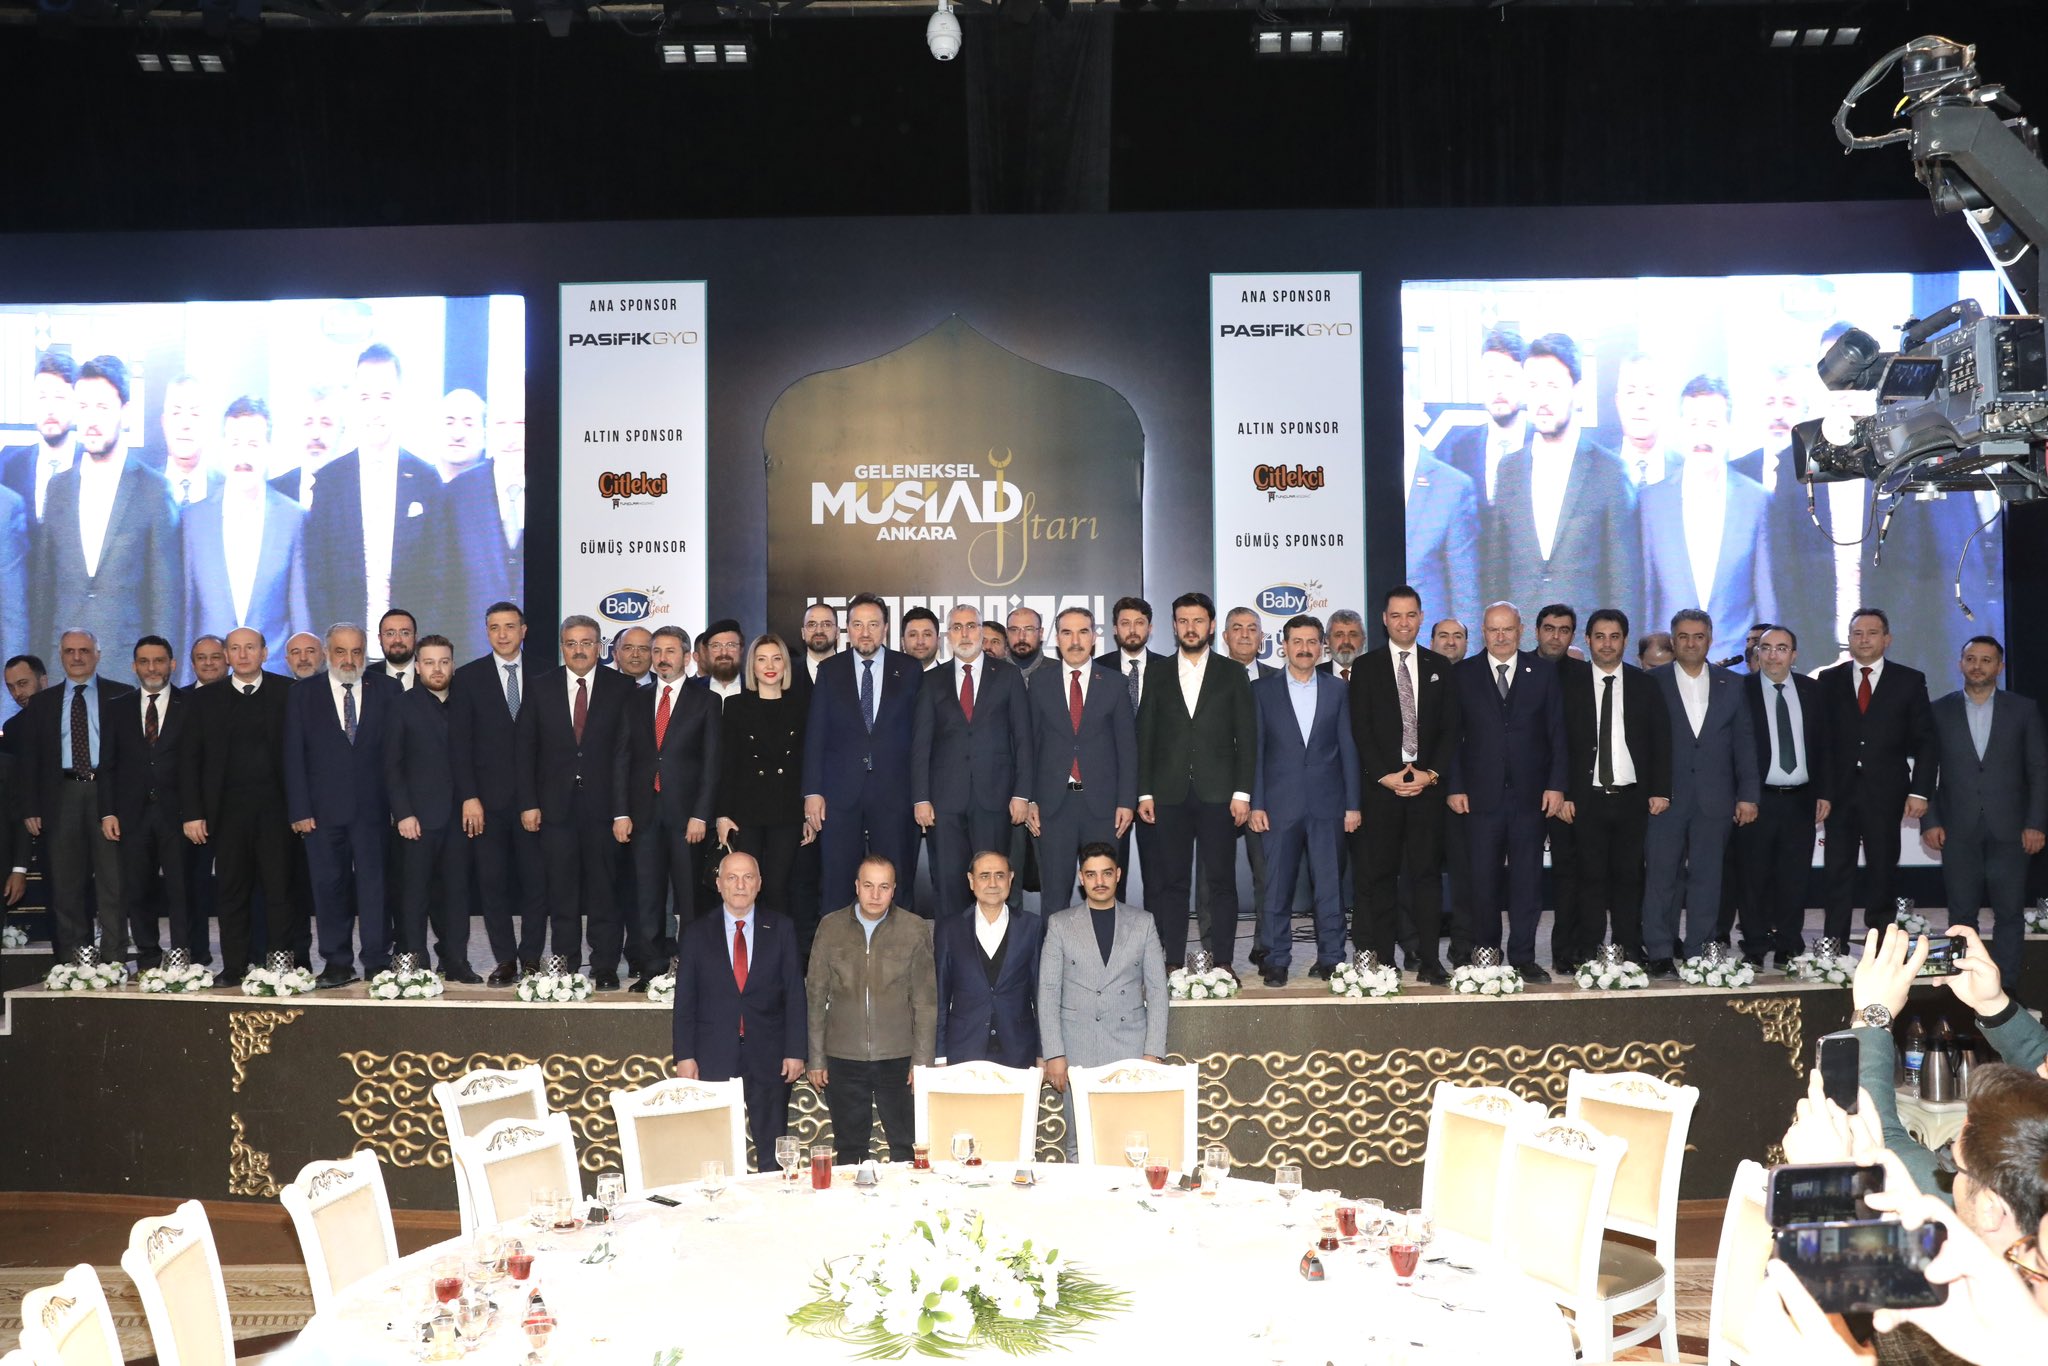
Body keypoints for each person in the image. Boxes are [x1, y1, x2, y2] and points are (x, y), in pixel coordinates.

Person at [30, 356, 181, 672]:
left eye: (102, 407)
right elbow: (43, 597)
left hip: (127, 677)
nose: (91, 419)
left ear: (125, 413)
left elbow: (165, 602)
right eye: (83, 407)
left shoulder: (154, 491)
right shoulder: (57, 489)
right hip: (62, 674)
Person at [1485, 334, 1638, 639]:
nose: (1541, 399)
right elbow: (1495, 577)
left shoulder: (1609, 472)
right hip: (1522, 650)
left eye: (1552, 386)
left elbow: (1624, 585)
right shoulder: (1509, 470)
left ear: (1577, 392)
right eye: (1533, 386)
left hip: (1586, 650)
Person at [1136, 592, 1255, 973]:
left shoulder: (1232, 673)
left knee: (1221, 882)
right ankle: (1171, 962)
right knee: (1171, 882)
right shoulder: (1157, 673)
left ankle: (1223, 962)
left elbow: (1247, 738)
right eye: (1184, 621)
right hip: (1168, 794)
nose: (1191, 628)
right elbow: (1145, 737)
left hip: (1220, 795)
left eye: (1198, 621)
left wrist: (1242, 793)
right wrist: (1144, 792)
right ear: (1174, 626)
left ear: (1211, 626)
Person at [1445, 602, 1566, 977]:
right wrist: (1455, 786)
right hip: (1479, 798)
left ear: (1521, 631)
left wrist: (1556, 785)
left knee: (1527, 882)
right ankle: (1486, 954)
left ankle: (1524, 957)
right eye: (1494, 630)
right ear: (1483, 632)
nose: (1501, 637)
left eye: (1508, 629)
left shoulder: (1543, 673)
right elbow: (1451, 738)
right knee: (1482, 880)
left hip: (1531, 797)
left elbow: (1557, 734)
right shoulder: (1463, 674)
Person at [301, 344, 447, 651]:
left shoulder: (427, 480)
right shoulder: (329, 482)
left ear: (401, 401)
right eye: (365, 398)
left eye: (386, 397)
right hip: (346, 653)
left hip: (410, 653)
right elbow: (317, 581)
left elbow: (439, 578)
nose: (375, 409)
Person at [1921, 636, 2048, 985]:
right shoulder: (1938, 710)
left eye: (1986, 660)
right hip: (1956, 829)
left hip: (2012, 830)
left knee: (2009, 914)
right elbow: (1926, 771)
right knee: (1961, 915)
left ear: (2000, 667)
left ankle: (2005, 988)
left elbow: (2039, 770)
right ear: (1960, 663)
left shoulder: (2023, 709)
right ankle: (1962, 986)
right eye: (1971, 658)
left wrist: (2036, 823)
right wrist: (1930, 821)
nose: (1977, 666)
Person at [516, 614, 635, 985]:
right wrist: (529, 803)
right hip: (555, 807)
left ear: (599, 647)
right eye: (571, 643)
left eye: (586, 643)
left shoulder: (622, 687)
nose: (579, 650)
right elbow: (525, 750)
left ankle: (604, 965)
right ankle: (565, 963)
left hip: (604, 807)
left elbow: (626, 752)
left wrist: (623, 810)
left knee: (605, 890)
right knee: (561, 891)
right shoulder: (541, 687)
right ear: (562, 647)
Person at [672, 850, 807, 1170]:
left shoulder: (782, 928)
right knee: (713, 1150)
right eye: (732, 878)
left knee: (772, 1153)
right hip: (712, 1057)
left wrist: (796, 1051)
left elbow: (794, 995)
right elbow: (685, 1000)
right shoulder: (695, 933)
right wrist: (684, 1056)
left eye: (748, 877)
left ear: (759, 883)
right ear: (718, 884)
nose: (740, 885)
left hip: (770, 1056)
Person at [1641, 609, 1757, 972]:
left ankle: (1700, 951)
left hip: (1715, 797)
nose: (1691, 643)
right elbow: (1642, 743)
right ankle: (1660, 951)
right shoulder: (1652, 681)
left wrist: (1748, 794)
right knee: (1661, 877)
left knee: (1708, 879)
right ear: (1673, 641)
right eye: (1684, 636)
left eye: (1699, 636)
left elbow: (1744, 743)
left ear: (1710, 639)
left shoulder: (1732, 683)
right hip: (1665, 798)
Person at [284, 623, 400, 987]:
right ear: (327, 654)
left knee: (375, 888)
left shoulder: (388, 689)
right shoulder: (303, 694)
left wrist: (400, 807)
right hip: (321, 814)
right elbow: (293, 756)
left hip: (374, 810)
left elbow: (397, 753)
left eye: (356, 651)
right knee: (328, 887)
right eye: (340, 652)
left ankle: (377, 961)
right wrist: (300, 810)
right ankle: (336, 962)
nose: (349, 659)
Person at [1351, 588, 1457, 981]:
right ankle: (1384, 961)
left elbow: (1450, 729)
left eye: (1411, 615)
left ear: (1421, 617)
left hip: (1427, 789)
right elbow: (1360, 728)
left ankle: (1430, 960)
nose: (1404, 622)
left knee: (1426, 878)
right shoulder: (1366, 667)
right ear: (1384, 619)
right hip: (1382, 790)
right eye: (1396, 615)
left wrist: (1431, 774)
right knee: (1380, 878)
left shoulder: (1439, 665)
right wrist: (1385, 776)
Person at [181, 628, 298, 981]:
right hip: (227, 813)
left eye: (250, 647)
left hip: (278, 811)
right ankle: (233, 966)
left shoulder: (288, 692)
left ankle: (280, 965)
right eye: (235, 648)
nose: (243, 654)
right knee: (231, 891)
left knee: (279, 890)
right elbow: (190, 760)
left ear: (264, 652)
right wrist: (193, 813)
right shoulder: (203, 699)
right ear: (227, 655)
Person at [1250, 614, 1360, 986]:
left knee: (1329, 886)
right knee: (1276, 888)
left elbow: (1348, 749)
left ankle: (1332, 958)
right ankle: (1276, 959)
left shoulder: (1337, 689)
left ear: (1322, 646)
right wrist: (1257, 803)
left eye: (1312, 641)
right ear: (1284, 646)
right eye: (1297, 641)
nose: (1305, 648)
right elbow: (1256, 751)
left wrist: (1353, 804)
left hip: (1328, 805)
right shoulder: (1261, 691)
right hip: (1278, 805)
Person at [1038, 843, 1168, 1157]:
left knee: (1131, 1140)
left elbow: (1157, 990)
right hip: (1077, 1046)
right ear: (1080, 878)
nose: (1099, 881)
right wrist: (1054, 1053)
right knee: (1079, 1142)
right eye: (1091, 874)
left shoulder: (1143, 922)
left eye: (1106, 873)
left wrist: (1153, 1052)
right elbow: (1048, 991)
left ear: (1118, 875)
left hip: (1130, 1047)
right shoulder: (1060, 924)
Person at [806, 854, 937, 1164]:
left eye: (884, 887)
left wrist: (922, 1063)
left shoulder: (913, 928)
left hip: (899, 1058)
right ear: (856, 886)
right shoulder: (831, 927)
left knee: (907, 1148)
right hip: (843, 1057)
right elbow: (815, 997)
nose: (875, 895)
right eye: (868, 886)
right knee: (850, 1150)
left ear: (894, 890)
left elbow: (925, 1002)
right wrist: (816, 1057)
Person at [802, 593, 924, 919]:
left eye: (873, 624)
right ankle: (838, 950)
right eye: (857, 625)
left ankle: (899, 948)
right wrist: (812, 791)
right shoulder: (830, 670)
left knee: (896, 878)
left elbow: (921, 737)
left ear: (886, 628)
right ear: (847, 629)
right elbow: (816, 735)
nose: (865, 632)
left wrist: (920, 794)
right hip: (840, 794)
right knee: (837, 881)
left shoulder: (909, 669)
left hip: (895, 792)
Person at [1818, 608, 1938, 940]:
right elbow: (1821, 741)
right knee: (1836, 871)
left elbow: (1926, 742)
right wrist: (1821, 791)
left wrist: (1920, 791)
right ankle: (1835, 944)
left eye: (1872, 633)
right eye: (1857, 633)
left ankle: (1882, 941)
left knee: (1883, 869)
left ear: (1887, 639)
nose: (1864, 639)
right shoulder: (1829, 679)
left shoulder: (1909, 680)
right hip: (1839, 793)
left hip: (1886, 792)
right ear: (1849, 639)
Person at [1639, 377, 1776, 664]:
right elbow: (1647, 600)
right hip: (1667, 671)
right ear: (1680, 428)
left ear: (1729, 429)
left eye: (1712, 424)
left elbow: (1767, 600)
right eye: (1693, 424)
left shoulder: (1757, 501)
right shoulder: (1650, 502)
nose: (1702, 436)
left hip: (1735, 670)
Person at [1562, 609, 1671, 965]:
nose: (1607, 644)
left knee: (1629, 877)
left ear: (1625, 640)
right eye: (1599, 636)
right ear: (1587, 640)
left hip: (1632, 798)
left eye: (1614, 637)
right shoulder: (1569, 683)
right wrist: (1563, 793)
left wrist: (1661, 789)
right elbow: (1557, 743)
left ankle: (1629, 947)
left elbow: (1660, 740)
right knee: (1589, 877)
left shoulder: (1645, 684)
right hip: (1585, 799)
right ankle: (1590, 949)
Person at [17, 629, 131, 966]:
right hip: (61, 796)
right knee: (66, 885)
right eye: (69, 651)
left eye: (84, 650)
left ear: (98, 654)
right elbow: (30, 761)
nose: (77, 657)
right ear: (61, 655)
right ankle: (74, 964)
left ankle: (113, 962)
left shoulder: (122, 695)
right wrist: (31, 807)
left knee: (113, 883)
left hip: (107, 795)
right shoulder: (43, 703)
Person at [912, 604, 1030, 920]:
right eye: (957, 627)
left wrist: (1022, 793)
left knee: (992, 882)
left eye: (971, 626)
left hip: (995, 798)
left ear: (981, 631)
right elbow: (921, 743)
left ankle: (993, 948)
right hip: (944, 801)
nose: (965, 633)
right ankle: (951, 949)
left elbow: (1023, 739)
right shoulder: (931, 680)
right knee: (948, 883)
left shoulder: (1007, 675)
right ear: (948, 635)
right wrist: (921, 797)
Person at [451, 602, 547, 985]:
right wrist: (469, 796)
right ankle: (505, 959)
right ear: (486, 631)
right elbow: (460, 744)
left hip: (536, 801)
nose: (502, 634)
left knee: (536, 884)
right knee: (492, 885)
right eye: (494, 627)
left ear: (524, 630)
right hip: (486, 804)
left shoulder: (546, 673)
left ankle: (532, 958)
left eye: (510, 626)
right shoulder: (468, 677)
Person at [181, 398, 311, 680]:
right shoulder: (192, 520)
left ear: (269, 449)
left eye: (253, 444)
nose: (243, 456)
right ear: (222, 448)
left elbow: (301, 617)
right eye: (235, 443)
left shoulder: (293, 519)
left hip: (275, 684)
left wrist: (306, 690)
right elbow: (188, 617)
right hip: (210, 684)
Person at [626, 623, 720, 988]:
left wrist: (701, 814)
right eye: (657, 651)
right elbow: (622, 758)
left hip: (687, 818)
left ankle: (691, 969)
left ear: (687, 657)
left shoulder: (706, 701)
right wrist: (622, 812)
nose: (662, 658)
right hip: (644, 814)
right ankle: (652, 969)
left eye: (670, 651)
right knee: (647, 897)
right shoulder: (635, 699)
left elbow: (711, 764)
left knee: (690, 899)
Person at [1024, 606, 1137, 910]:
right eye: (1067, 632)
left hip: (1103, 807)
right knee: (1054, 894)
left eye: (1083, 632)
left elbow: (1127, 747)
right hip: (1052, 806)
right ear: (1056, 639)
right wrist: (1030, 799)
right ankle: (1054, 945)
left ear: (1094, 637)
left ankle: (1109, 944)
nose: (1075, 641)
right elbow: (1030, 745)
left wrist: (1126, 801)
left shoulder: (1114, 683)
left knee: (1105, 892)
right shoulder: (1040, 682)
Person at [380, 635, 478, 980]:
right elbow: (391, 765)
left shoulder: (466, 703)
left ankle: (455, 961)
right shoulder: (401, 705)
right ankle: (414, 963)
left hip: (460, 819)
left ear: (453, 665)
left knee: (457, 894)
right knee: (414, 896)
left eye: (444, 662)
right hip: (417, 819)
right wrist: (403, 813)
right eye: (430, 662)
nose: (438, 669)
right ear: (418, 667)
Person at [99, 635, 195, 972]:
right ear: (134, 666)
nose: (152, 668)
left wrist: (196, 812)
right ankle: (149, 957)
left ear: (172, 664)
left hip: (179, 814)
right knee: (138, 889)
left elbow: (198, 763)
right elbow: (108, 764)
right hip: (132, 815)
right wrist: (108, 811)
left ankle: (182, 957)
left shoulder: (191, 704)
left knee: (181, 889)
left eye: (158, 661)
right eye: (144, 661)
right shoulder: (117, 707)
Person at [1737, 624, 1831, 968]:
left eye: (1781, 648)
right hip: (1757, 799)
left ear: (1794, 655)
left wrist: (1824, 792)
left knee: (1795, 877)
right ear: (1757, 653)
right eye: (1766, 648)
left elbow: (1824, 745)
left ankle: (1789, 943)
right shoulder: (1741, 690)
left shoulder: (1812, 690)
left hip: (1801, 799)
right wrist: (1742, 794)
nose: (1773, 655)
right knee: (1753, 877)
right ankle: (1755, 944)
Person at [715, 633, 812, 935]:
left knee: (779, 886)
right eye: (762, 659)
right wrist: (722, 814)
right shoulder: (735, 705)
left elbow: (806, 762)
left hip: (788, 811)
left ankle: (778, 951)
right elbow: (726, 764)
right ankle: (745, 949)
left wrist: (808, 812)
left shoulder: (802, 705)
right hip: (747, 811)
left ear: (785, 665)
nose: (769, 666)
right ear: (752, 666)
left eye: (776, 658)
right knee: (746, 886)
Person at [932, 850, 1043, 1068]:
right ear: (971, 880)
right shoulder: (949, 929)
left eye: (1000, 875)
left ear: (1010, 879)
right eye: (984, 876)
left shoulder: (1032, 926)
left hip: (1019, 1049)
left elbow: (1040, 995)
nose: (993, 883)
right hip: (964, 1049)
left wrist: (1042, 1053)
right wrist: (940, 1055)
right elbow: (940, 997)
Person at [1220, 605, 1279, 964]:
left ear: (1262, 638)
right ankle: (1213, 948)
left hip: (1262, 792)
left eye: (1252, 628)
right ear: (1225, 636)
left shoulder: (1278, 679)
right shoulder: (1210, 675)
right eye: (1237, 628)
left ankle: (1266, 945)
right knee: (1214, 877)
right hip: (1216, 791)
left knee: (1267, 875)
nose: (1245, 634)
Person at [1099, 594, 1171, 891]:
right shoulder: (1097, 669)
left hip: (1159, 785)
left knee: (1159, 874)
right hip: (1110, 786)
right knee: (1111, 871)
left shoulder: (1169, 669)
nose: (1132, 630)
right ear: (1115, 629)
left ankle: (1158, 924)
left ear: (1150, 628)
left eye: (1139, 623)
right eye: (1125, 623)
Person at [1533, 603, 1580, 966]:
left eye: (1564, 630)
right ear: (1537, 631)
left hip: (1564, 794)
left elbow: (1580, 740)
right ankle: (1515, 953)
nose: (1555, 636)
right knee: (1522, 875)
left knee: (1568, 874)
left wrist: (1564, 790)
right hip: (1520, 792)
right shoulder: (1520, 668)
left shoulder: (1582, 675)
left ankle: (1565, 951)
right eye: (1549, 628)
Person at [1433, 326, 1528, 507]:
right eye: (1490, 377)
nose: (1499, 388)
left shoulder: (1541, 443)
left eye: (1508, 377)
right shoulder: (1461, 449)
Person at [0, 351, 77, 527]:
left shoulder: (91, 462)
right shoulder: (10, 464)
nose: (50, 409)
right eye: (42, 397)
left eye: (59, 397)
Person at [1612, 352, 1678, 489]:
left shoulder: (1685, 469)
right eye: (1630, 392)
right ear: (1618, 402)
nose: (1640, 404)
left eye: (1650, 393)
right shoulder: (1599, 470)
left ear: (1665, 402)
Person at [157, 375, 223, 505]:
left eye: (195, 414)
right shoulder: (144, 489)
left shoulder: (227, 490)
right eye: (176, 413)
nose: (185, 424)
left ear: (209, 424)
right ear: (164, 422)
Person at [692, 619, 745, 707]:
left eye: (731, 645)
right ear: (706, 651)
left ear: (741, 649)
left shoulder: (756, 688)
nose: (724, 652)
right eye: (716, 646)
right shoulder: (690, 690)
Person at [1005, 607, 1052, 681]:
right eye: (1014, 630)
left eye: (1029, 629)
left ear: (1040, 633)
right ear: (1007, 633)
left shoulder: (1060, 673)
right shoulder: (992, 673)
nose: (1021, 637)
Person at [376, 609, 418, 688]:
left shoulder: (432, 673)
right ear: (380, 638)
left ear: (415, 637)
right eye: (390, 634)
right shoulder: (365, 677)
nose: (398, 640)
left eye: (405, 633)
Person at [1324, 610, 1366, 682]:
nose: (1346, 641)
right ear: (1327, 640)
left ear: (1363, 640)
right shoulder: (1314, 675)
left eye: (1353, 635)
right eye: (1339, 635)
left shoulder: (1377, 674)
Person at [899, 607, 942, 671]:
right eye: (913, 635)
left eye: (927, 634)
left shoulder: (953, 677)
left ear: (938, 641)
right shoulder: (889, 677)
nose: (920, 642)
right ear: (903, 642)